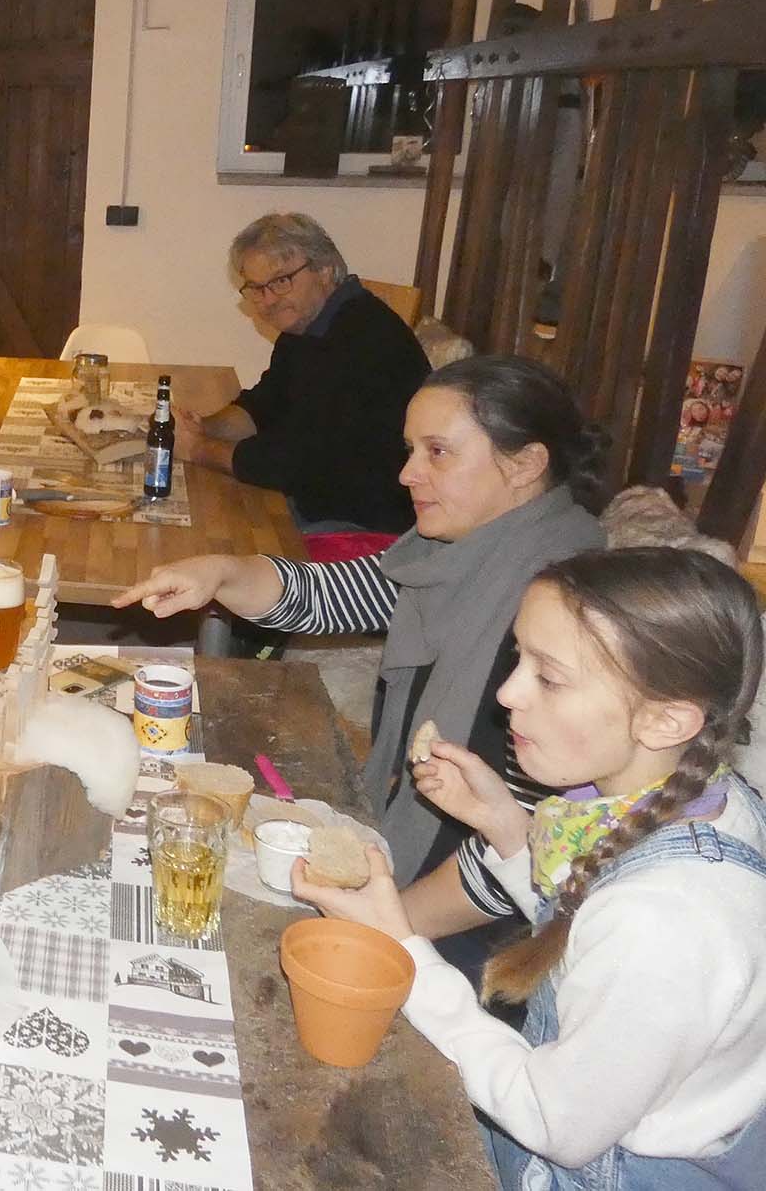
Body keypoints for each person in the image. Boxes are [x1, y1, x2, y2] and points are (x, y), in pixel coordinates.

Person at [296, 547, 766, 1188]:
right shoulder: (706, 800)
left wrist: (404, 956)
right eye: (519, 658)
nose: (507, 692)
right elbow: (585, 928)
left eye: (550, 678)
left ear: (665, 720)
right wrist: (507, 830)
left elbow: (555, 1124)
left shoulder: (666, 921)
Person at [113, 355, 608, 939]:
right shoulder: (460, 552)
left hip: (482, 934)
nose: (408, 474)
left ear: (525, 463)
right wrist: (221, 572)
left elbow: (529, 845)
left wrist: (378, 929)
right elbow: (333, 595)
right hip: (414, 869)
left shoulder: (563, 612)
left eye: (438, 452)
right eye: (411, 450)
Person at [176, 212, 429, 534]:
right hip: (316, 498)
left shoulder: (365, 340)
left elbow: (295, 463)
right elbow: (265, 405)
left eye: (281, 282)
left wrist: (199, 449)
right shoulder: (308, 327)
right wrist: (202, 427)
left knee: (210, 527)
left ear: (325, 270)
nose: (268, 300)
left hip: (361, 525)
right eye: (257, 288)